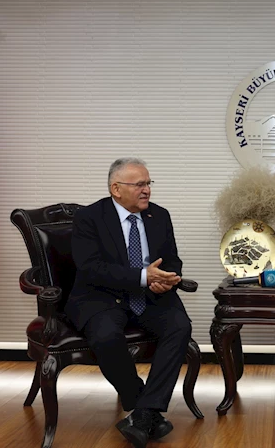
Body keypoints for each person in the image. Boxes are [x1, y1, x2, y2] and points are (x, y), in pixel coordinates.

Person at [66, 158, 191, 448]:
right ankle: (144, 406)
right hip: (102, 296)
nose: (147, 190)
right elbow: (90, 268)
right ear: (116, 188)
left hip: (151, 296)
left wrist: (167, 278)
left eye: (149, 183)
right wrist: (143, 276)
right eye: (139, 184)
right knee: (106, 335)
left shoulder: (159, 215)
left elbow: (172, 259)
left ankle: (143, 415)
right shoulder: (90, 217)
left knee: (179, 326)